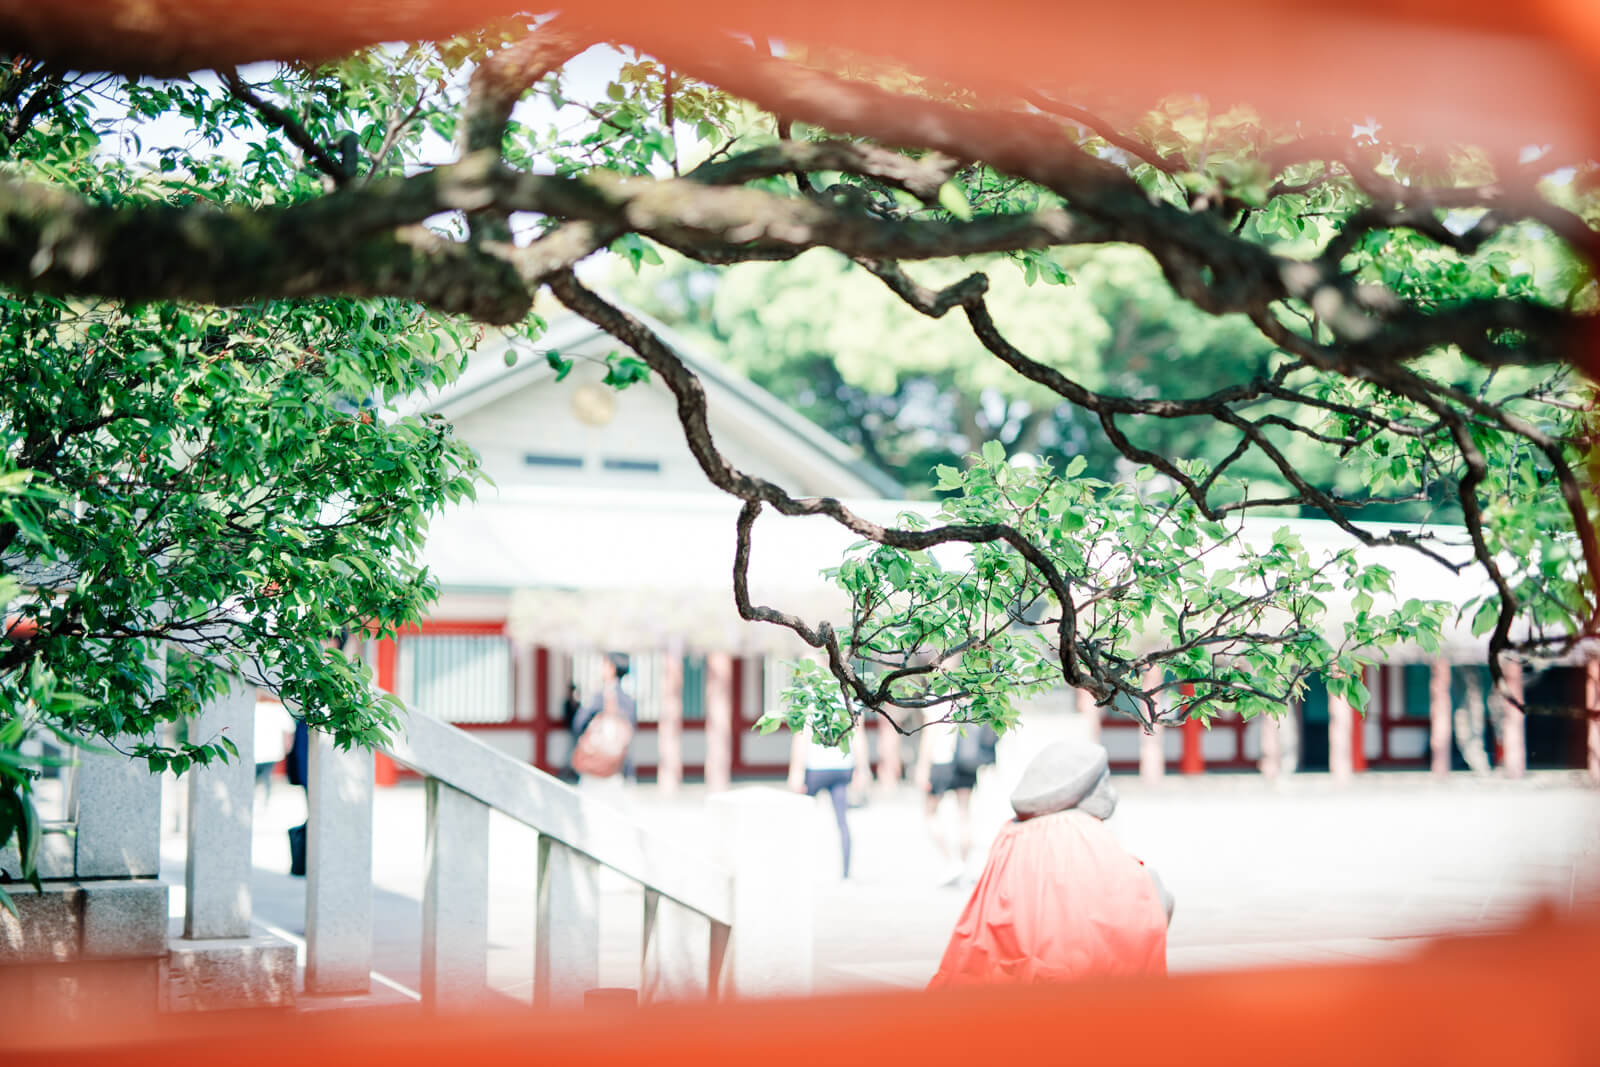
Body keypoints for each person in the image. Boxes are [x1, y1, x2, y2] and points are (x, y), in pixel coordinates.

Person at [928, 739, 1172, 987]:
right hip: (1075, 966)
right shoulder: (1081, 831)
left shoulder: (1012, 833)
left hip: (1010, 962)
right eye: (1104, 781)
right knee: (1154, 889)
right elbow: (1127, 892)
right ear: (1084, 787)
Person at [570, 652, 637, 809]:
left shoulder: (599, 697)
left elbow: (578, 724)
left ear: (611, 668)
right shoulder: (629, 701)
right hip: (617, 767)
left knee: (589, 809)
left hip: (595, 762)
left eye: (604, 664)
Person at [915, 715, 975, 886]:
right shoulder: (967, 696)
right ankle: (963, 865)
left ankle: (952, 862)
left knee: (930, 813)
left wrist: (922, 766)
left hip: (940, 762)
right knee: (964, 814)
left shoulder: (937, 697)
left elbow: (930, 732)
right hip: (965, 762)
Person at [789, 725, 856, 879]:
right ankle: (846, 872)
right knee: (843, 822)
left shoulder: (809, 700)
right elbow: (858, 735)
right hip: (842, 765)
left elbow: (801, 736)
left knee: (802, 821)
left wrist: (796, 770)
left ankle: (798, 867)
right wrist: (861, 768)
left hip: (816, 766)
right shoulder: (852, 701)